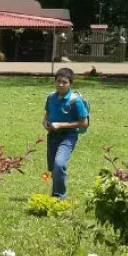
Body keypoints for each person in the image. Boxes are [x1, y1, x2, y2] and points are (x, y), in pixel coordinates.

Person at [42, 68, 88, 199]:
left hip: (68, 137)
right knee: (53, 169)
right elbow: (47, 114)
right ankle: (54, 195)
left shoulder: (75, 101)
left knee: (59, 164)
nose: (61, 84)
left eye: (64, 82)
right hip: (52, 136)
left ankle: (59, 197)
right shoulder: (51, 97)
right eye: (58, 81)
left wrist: (61, 125)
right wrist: (45, 122)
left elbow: (84, 123)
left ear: (70, 84)